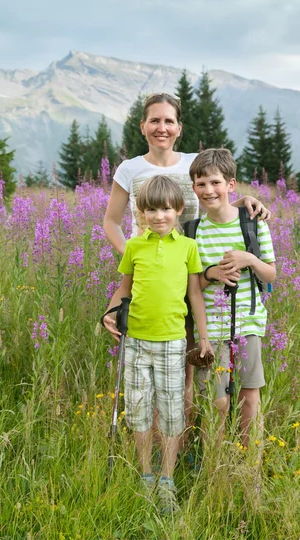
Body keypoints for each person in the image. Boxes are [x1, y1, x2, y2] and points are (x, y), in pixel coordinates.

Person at [103, 92, 271, 428]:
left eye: (168, 121)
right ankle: (169, 450)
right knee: (164, 370)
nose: (161, 128)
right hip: (156, 281)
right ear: (143, 126)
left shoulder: (192, 162)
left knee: (194, 364)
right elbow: (110, 222)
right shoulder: (130, 168)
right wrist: (137, 258)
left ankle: (193, 444)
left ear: (179, 127)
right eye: (154, 120)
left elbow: (215, 195)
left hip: (197, 278)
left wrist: (246, 200)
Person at [102, 175, 213, 514]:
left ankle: (167, 478)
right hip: (135, 340)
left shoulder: (188, 248)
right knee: (137, 409)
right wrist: (108, 312)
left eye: (165, 208)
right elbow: (125, 288)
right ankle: (146, 475)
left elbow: (194, 293)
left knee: (170, 410)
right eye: (151, 209)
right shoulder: (134, 247)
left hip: (172, 342)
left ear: (178, 209)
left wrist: (204, 336)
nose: (159, 216)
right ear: (141, 212)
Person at [189, 148, 276, 446]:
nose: (208, 190)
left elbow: (271, 274)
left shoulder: (253, 224)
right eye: (201, 184)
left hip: (248, 325)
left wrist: (248, 259)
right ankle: (216, 471)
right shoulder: (193, 232)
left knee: (249, 397)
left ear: (230, 184)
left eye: (215, 183)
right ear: (193, 188)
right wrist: (212, 273)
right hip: (211, 328)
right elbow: (192, 287)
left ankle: (249, 467)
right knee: (217, 403)